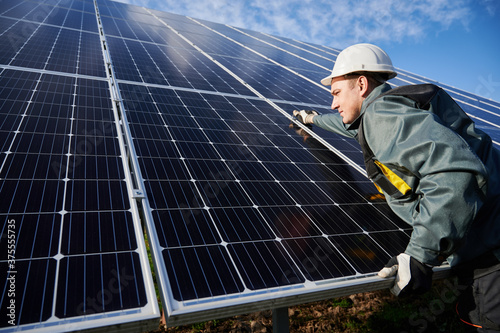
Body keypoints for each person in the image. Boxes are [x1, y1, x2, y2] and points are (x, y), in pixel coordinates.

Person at [293, 43, 500, 332]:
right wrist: (313, 119)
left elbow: (455, 173)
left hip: (492, 252)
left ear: (362, 84)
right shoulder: (385, 111)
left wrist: (419, 253)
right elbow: (348, 125)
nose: (333, 104)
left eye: (337, 93)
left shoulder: (383, 117)